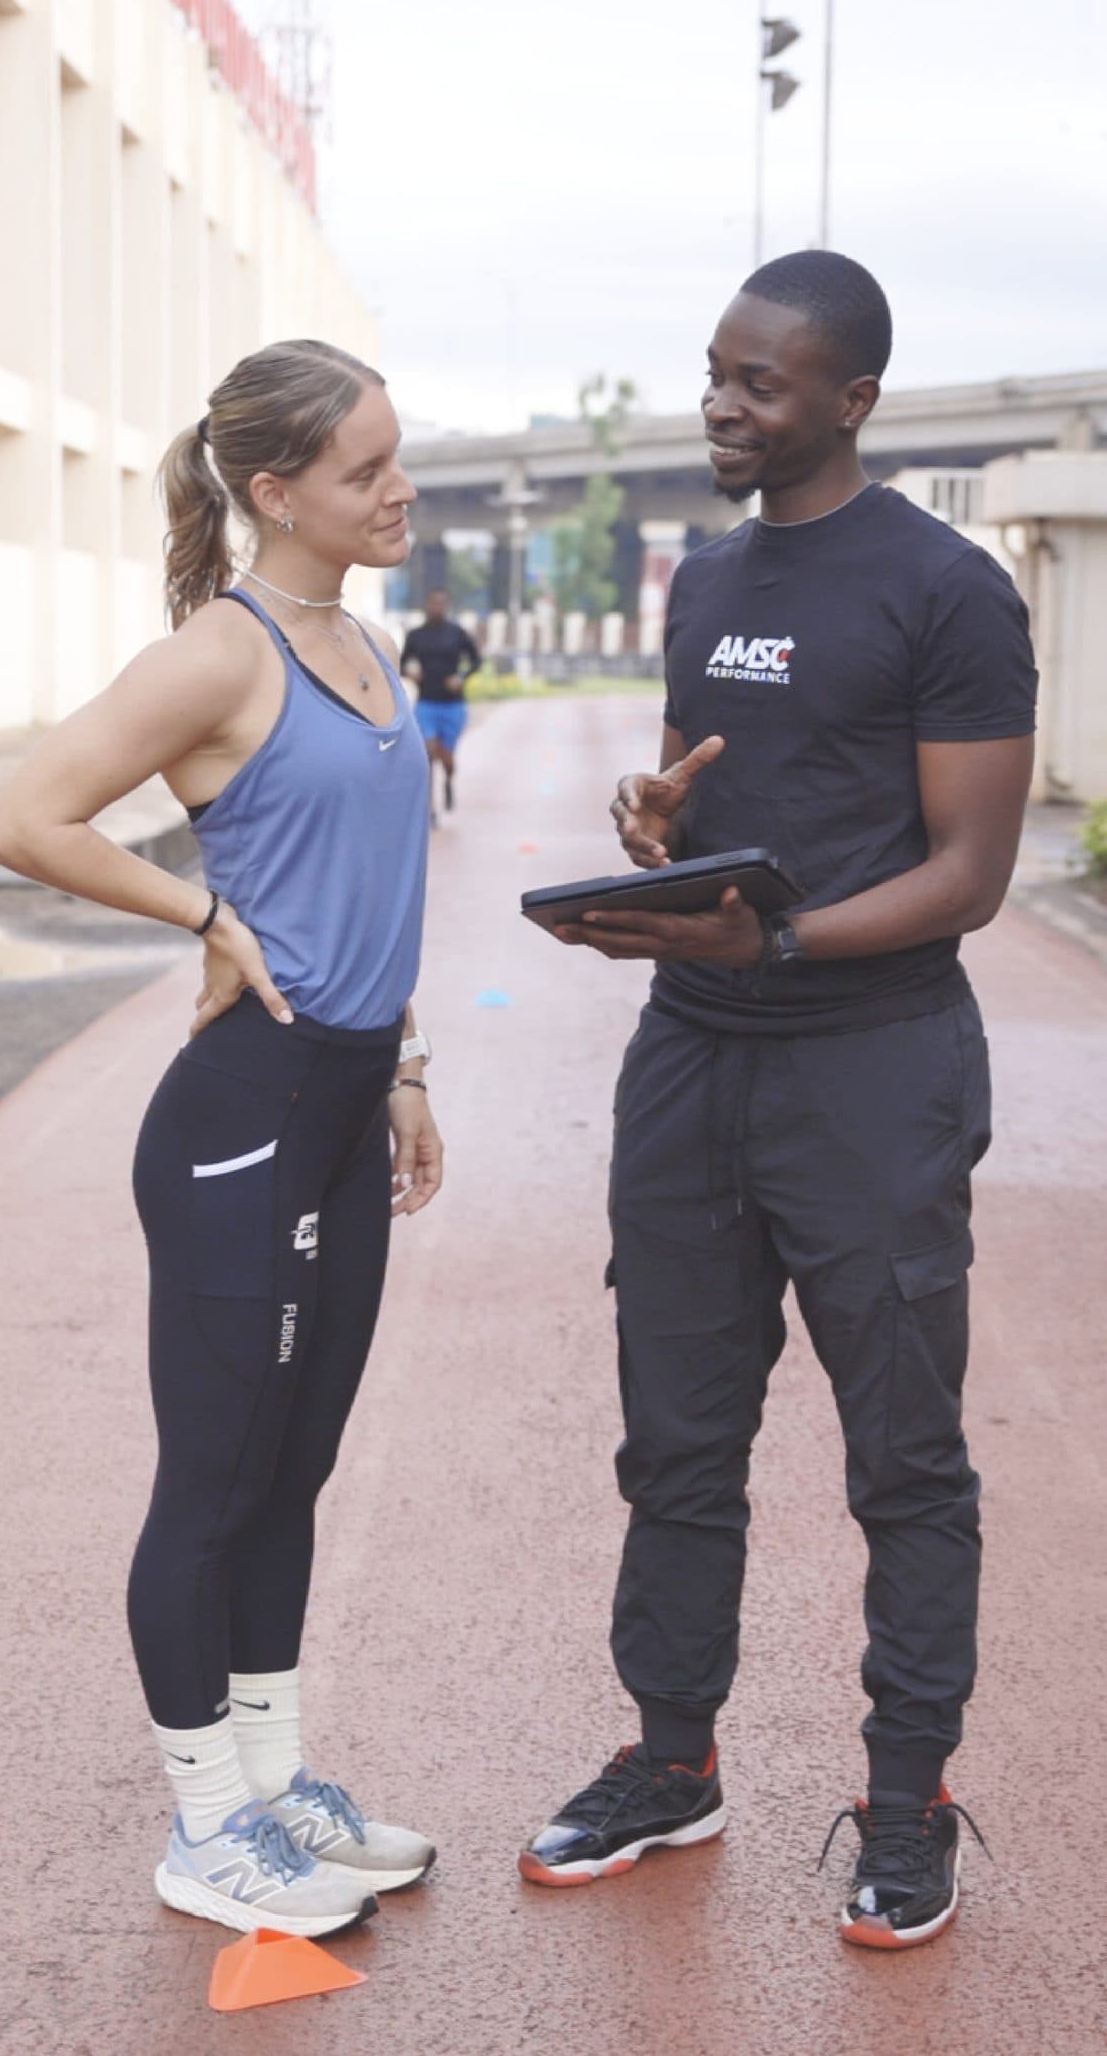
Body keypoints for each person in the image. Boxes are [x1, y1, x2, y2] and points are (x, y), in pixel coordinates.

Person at [518, 252, 1036, 1950]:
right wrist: (657, 816)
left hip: (872, 1066)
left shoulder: (949, 590)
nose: (724, 405)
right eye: (717, 373)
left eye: (762, 383)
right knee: (676, 1439)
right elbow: (705, 785)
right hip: (690, 1054)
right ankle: (675, 1758)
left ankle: (909, 1798)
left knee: (903, 1452)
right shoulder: (705, 573)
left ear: (854, 398)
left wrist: (788, 932)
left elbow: (969, 870)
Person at [0, 339, 443, 1941]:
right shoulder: (223, 654)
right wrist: (204, 913)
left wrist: (405, 1063)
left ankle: (277, 1780)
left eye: (397, 456)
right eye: (366, 468)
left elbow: (376, 888)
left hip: (341, 1103)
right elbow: (25, 814)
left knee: (296, 1465)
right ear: (275, 491)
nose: (400, 488)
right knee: (217, 1474)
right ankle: (204, 1827)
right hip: (242, 1116)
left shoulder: (361, 643)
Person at [400, 588, 481, 818]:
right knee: (427, 753)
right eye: (432, 603)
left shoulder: (457, 634)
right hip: (426, 703)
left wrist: (461, 677)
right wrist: (410, 672)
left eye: (440, 603)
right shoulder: (416, 636)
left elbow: (476, 661)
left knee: (446, 756)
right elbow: (402, 663)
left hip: (453, 705)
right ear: (426, 605)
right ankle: (430, 807)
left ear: (446, 605)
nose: (436, 607)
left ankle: (448, 779)